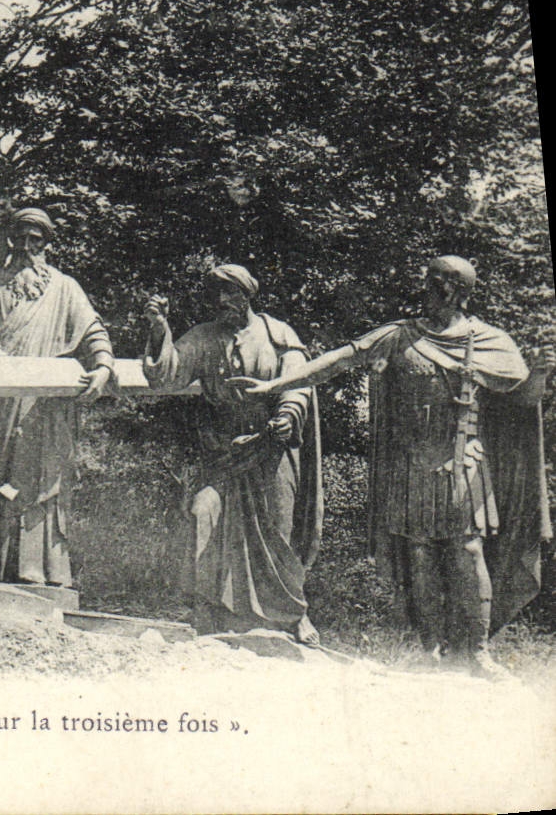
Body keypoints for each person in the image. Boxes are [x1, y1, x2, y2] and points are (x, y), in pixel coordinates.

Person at [231, 256, 549, 677]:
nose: (428, 288)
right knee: (418, 552)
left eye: (439, 283)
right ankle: (429, 648)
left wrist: (541, 375)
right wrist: (276, 385)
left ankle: (476, 652)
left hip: (463, 460)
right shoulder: (400, 335)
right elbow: (340, 359)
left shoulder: (491, 341)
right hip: (411, 463)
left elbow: (521, 399)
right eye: (429, 280)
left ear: (458, 291)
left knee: (467, 550)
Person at [143, 265, 323, 642]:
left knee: (278, 530)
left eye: (231, 293)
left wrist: (288, 415)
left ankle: (293, 614)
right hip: (223, 455)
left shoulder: (278, 335)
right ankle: (207, 611)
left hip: (271, 450)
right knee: (202, 512)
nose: (223, 301)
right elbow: (168, 373)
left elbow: (298, 379)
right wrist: (160, 330)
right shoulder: (205, 337)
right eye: (217, 295)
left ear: (247, 295)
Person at [0, 207, 114, 585]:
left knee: (46, 484)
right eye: (21, 238)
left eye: (37, 240)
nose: (28, 247)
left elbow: (93, 331)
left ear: (46, 243)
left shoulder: (65, 288)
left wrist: (104, 365)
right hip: (4, 405)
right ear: (10, 240)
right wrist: (8, 371)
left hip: (48, 411)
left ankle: (47, 572)